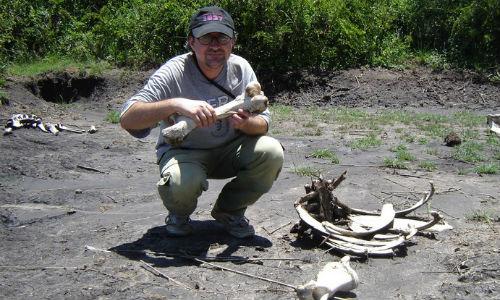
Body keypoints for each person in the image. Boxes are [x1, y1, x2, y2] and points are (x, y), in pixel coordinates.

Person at [119, 6, 284, 238]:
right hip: (185, 152)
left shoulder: (241, 68)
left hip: (230, 151)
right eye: (206, 37)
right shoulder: (173, 72)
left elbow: (264, 122)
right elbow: (127, 118)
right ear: (192, 42)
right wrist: (176, 104)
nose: (215, 45)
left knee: (272, 152)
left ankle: (230, 211)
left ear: (233, 42)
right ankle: (179, 213)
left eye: (222, 37)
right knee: (180, 183)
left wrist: (246, 124)